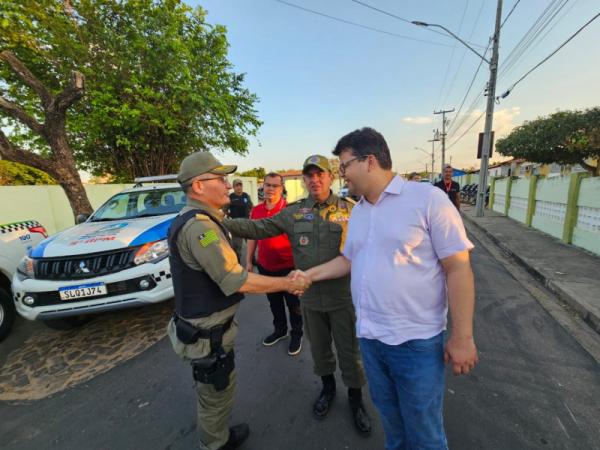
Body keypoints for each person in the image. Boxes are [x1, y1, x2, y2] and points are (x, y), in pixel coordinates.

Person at [295, 128, 478, 450]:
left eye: (344, 165)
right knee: (392, 425)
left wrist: (462, 337)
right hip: (370, 339)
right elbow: (348, 259)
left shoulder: (427, 200)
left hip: (415, 343)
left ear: (369, 161)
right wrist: (306, 275)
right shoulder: (360, 210)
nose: (342, 174)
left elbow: (458, 268)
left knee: (424, 433)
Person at [167, 151, 309, 450]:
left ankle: (218, 436)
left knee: (215, 393)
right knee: (215, 397)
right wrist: (287, 283)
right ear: (198, 186)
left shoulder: (202, 220)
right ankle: (216, 444)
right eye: (219, 178)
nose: (228, 185)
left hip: (207, 330)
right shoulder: (200, 228)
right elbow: (235, 279)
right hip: (208, 335)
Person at [224, 155, 372, 436]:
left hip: (343, 299)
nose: (315, 179)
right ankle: (328, 390)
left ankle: (356, 400)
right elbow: (258, 228)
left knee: (350, 353)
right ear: (303, 180)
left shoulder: (352, 211)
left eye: (320, 174)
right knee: (319, 350)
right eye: (309, 175)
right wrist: (221, 222)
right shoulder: (294, 212)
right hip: (310, 298)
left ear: (330, 177)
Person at [246, 172, 303, 356]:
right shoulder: (256, 211)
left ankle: (297, 334)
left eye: (274, 185)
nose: (270, 189)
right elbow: (252, 236)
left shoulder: (290, 210)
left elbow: (301, 239)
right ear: (263, 186)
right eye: (267, 185)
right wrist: (248, 260)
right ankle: (280, 330)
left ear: (282, 188)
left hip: (288, 267)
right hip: (265, 267)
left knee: (294, 304)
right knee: (274, 303)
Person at [225, 179, 253, 260]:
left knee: (251, 243)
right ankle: (237, 263)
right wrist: (230, 216)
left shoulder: (246, 196)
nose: (239, 187)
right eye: (237, 185)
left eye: (240, 185)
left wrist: (250, 214)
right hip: (236, 224)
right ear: (233, 187)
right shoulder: (230, 197)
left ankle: (252, 259)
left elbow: (251, 206)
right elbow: (225, 209)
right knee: (237, 246)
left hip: (247, 223)